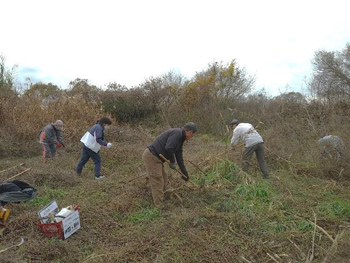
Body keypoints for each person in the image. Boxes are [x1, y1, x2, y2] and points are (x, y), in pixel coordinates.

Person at [142, 122, 198, 208]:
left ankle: (162, 199)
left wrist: (184, 173)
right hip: (152, 156)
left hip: (158, 159)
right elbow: (169, 147)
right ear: (190, 132)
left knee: (164, 178)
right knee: (158, 181)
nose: (191, 137)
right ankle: (159, 206)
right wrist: (172, 161)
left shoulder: (181, 138)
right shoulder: (177, 133)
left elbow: (179, 155)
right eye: (193, 135)